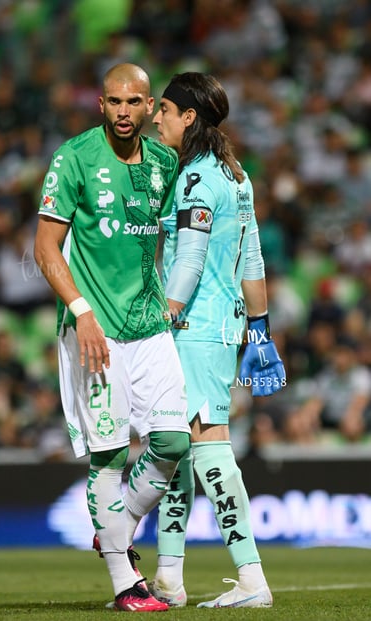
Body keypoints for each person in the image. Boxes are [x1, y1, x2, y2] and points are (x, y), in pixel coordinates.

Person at [34, 63, 191, 612]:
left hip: (150, 328)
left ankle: (116, 525)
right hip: (93, 331)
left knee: (174, 443)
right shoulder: (74, 158)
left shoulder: (165, 163)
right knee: (107, 455)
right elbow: (46, 249)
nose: (124, 111)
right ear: (100, 104)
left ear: (150, 108)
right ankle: (126, 583)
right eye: (114, 101)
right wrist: (80, 312)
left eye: (135, 102)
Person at [149, 72, 286, 609]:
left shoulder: (195, 180)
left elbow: (189, 258)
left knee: (206, 446)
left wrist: (165, 314)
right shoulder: (235, 176)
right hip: (224, 326)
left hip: (193, 328)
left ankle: (251, 578)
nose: (155, 118)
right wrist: (260, 326)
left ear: (188, 117)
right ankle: (168, 576)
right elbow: (250, 258)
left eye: (164, 109)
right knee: (180, 449)